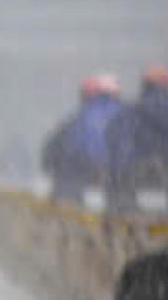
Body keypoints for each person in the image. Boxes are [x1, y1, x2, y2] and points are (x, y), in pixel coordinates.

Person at [41, 73, 124, 206]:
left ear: (85, 95)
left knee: (66, 180)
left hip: (84, 173)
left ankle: (65, 215)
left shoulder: (78, 119)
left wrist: (50, 164)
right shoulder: (128, 113)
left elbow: (57, 149)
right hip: (120, 174)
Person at [108, 66, 168, 210]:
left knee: (121, 195)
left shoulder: (128, 110)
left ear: (145, 86)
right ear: (167, 86)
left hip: (135, 171)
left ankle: (125, 211)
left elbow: (114, 140)